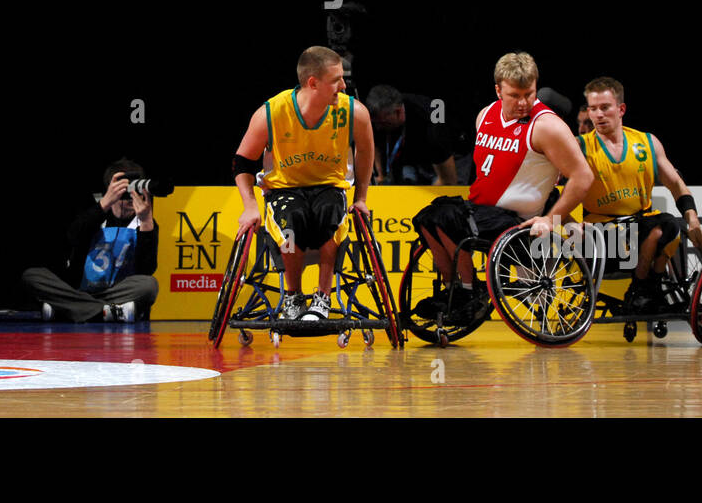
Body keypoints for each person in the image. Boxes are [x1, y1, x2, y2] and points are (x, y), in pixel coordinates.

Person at [410, 52, 593, 320]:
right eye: (514, 95)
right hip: (481, 211)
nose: (522, 102)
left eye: (528, 94)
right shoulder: (485, 115)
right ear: (498, 90)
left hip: (513, 219)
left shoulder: (547, 126)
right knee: (427, 218)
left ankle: (469, 293)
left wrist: (551, 219)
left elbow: (583, 177)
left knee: (446, 218)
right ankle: (453, 290)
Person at [232, 46, 375, 322]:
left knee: (330, 213)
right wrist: (249, 206)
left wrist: (361, 198)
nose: (344, 86)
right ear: (313, 83)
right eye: (336, 80)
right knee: (291, 223)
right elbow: (242, 162)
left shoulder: (354, 113)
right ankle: (293, 296)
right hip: (284, 189)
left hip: (329, 186)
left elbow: (366, 151)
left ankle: (322, 296)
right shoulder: (272, 113)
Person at [578, 76, 702, 313]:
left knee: (667, 224)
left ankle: (644, 290)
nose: (598, 115)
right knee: (654, 230)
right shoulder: (580, 147)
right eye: (593, 109)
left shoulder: (646, 143)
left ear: (621, 109)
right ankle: (645, 290)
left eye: (605, 108)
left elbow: (676, 184)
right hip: (600, 234)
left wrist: (693, 218)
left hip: (640, 227)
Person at [21, 159, 159, 322]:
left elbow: (146, 269)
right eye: (123, 190)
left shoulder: (145, 221)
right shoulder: (95, 210)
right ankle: (108, 312)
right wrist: (105, 203)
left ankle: (67, 310)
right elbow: (72, 236)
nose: (128, 198)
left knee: (149, 285)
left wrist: (145, 221)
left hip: (116, 292)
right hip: (79, 289)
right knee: (32, 276)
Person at [366, 84, 460, 186]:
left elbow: (448, 180)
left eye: (383, 123)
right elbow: (376, 142)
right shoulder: (385, 113)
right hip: (415, 158)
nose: (378, 127)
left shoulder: (432, 127)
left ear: (398, 112)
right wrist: (381, 175)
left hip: (450, 157)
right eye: (376, 123)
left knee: (446, 197)